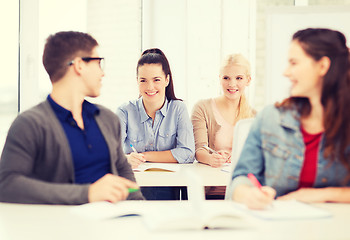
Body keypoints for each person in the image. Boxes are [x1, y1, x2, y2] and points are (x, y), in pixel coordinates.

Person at [0, 31, 144, 204]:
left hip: (112, 225)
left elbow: (123, 171)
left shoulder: (107, 119)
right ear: (79, 65)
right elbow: (6, 185)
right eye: (98, 63)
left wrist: (140, 211)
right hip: (60, 227)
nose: (102, 73)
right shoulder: (29, 124)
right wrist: (87, 194)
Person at [227, 28, 350, 209]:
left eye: (294, 63)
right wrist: (248, 194)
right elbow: (240, 179)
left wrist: (316, 195)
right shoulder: (270, 118)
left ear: (322, 66)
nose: (286, 72)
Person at [116, 48, 195, 200]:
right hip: (132, 187)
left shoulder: (178, 109)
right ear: (137, 81)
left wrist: (144, 156)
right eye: (143, 80)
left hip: (167, 187)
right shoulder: (124, 110)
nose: (150, 87)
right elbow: (111, 153)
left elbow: (187, 153)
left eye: (156, 80)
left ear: (167, 80)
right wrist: (126, 159)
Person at [191, 53, 255, 199]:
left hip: (243, 192)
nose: (232, 84)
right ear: (219, 79)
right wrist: (210, 158)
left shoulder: (254, 117)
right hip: (211, 190)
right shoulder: (202, 108)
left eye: (239, 78)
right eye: (226, 78)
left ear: (248, 80)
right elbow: (199, 149)